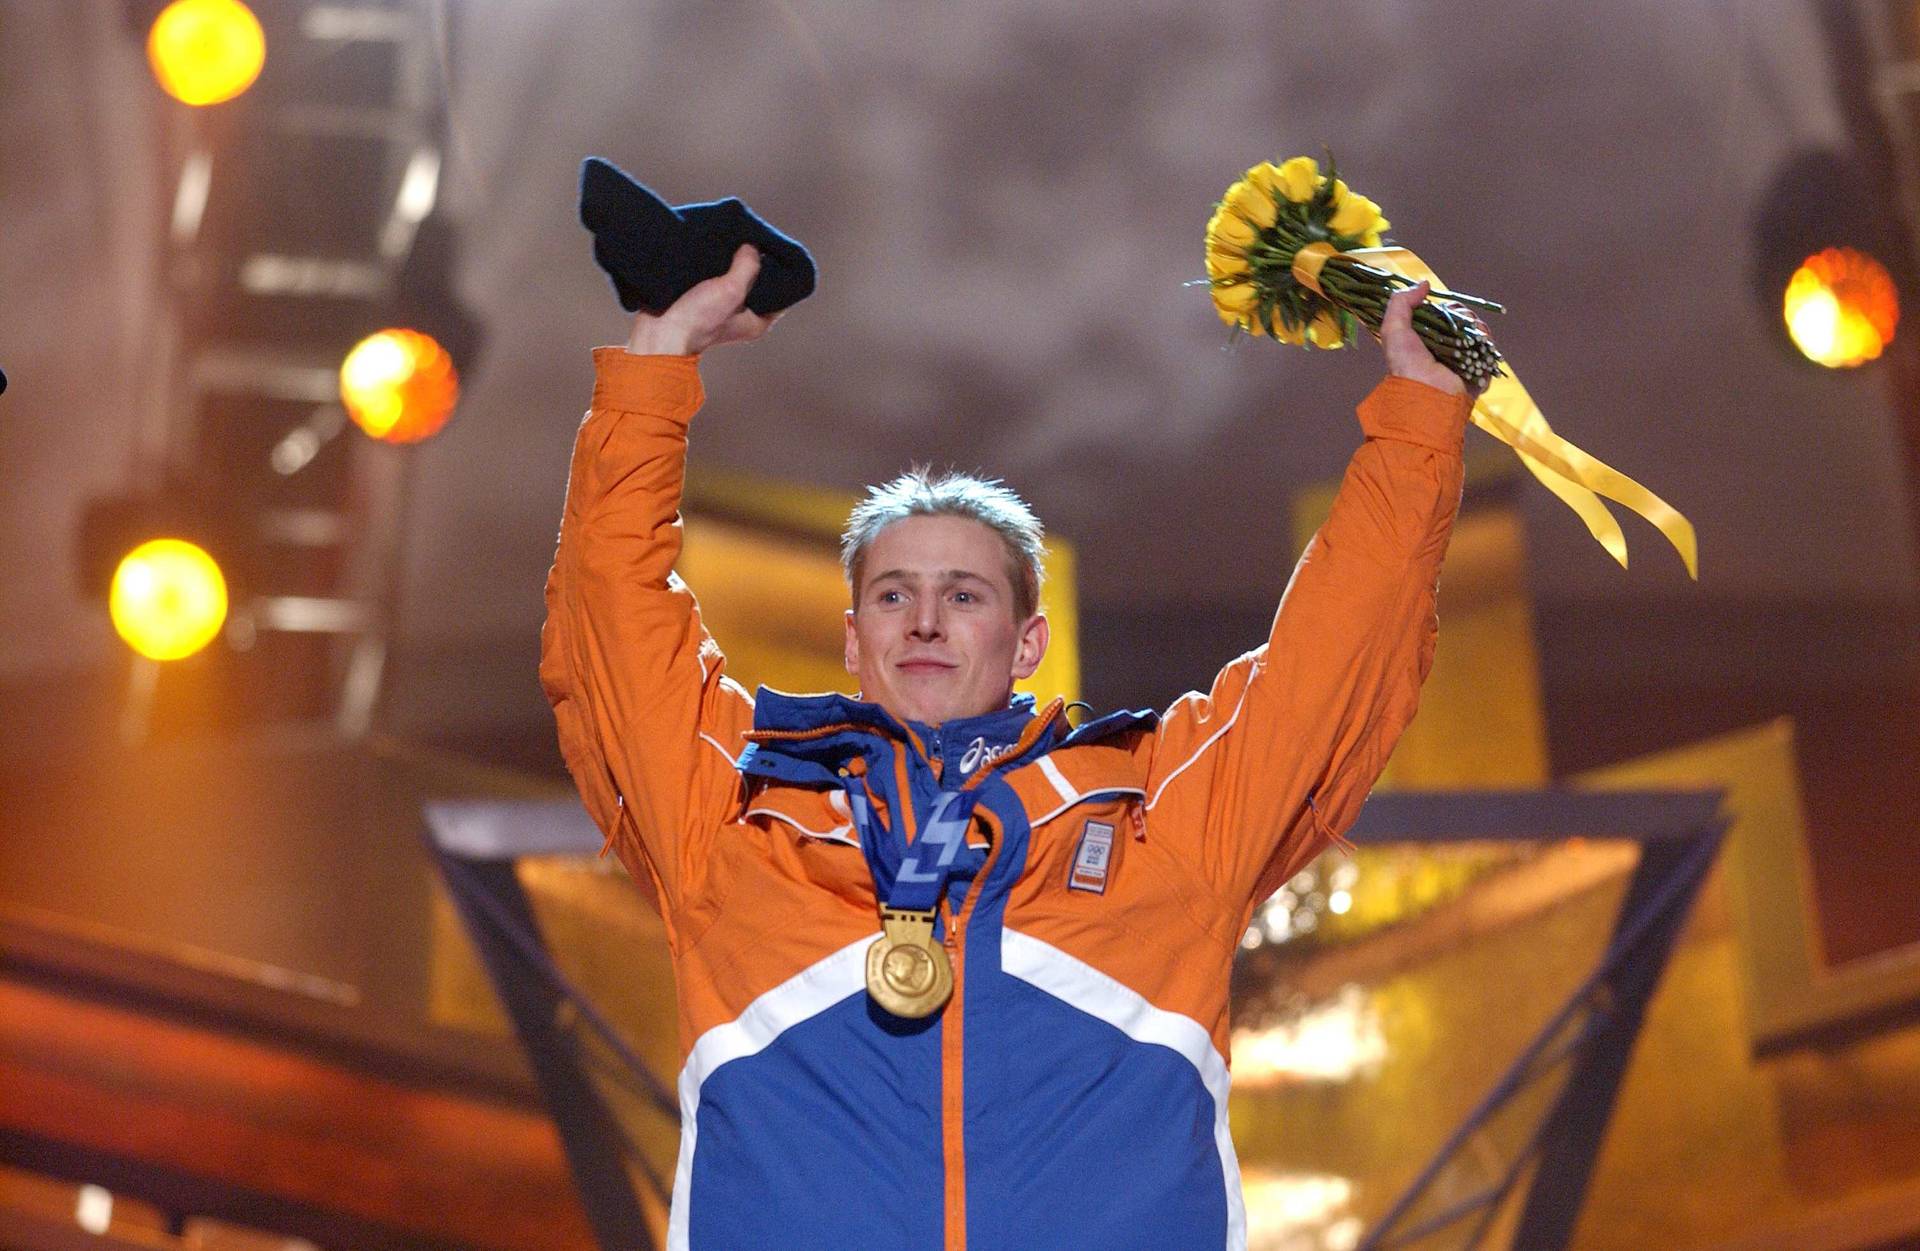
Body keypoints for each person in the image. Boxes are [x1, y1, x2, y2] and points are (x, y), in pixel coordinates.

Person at [541, 243, 1478, 1251]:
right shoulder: (734, 817)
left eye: (966, 594)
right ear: (854, 638)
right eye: (893, 594)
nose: (927, 621)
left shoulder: (1153, 816)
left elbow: (1332, 663)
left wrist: (1417, 425)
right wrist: (656, 365)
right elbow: (614, 633)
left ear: (1027, 642)